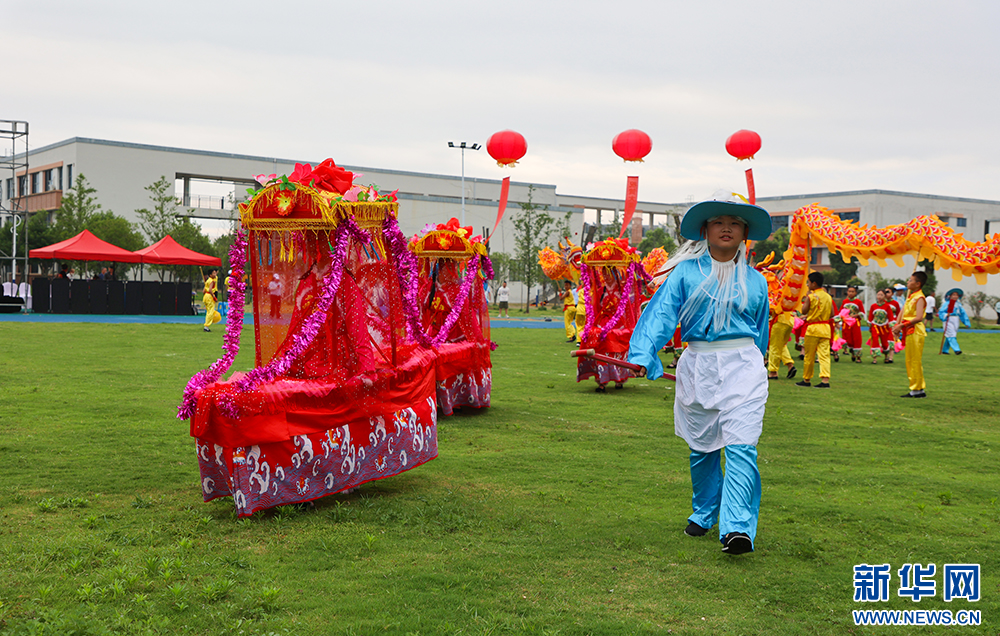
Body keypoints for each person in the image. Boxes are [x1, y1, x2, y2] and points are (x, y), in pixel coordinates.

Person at [628, 195, 770, 556]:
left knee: (741, 445)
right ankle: (705, 512)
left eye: (735, 223)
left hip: (744, 367)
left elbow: (760, 329)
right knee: (702, 447)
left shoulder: (756, 281)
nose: (726, 228)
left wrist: (760, 362)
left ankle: (737, 528)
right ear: (705, 230)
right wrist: (645, 352)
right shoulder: (686, 274)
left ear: (744, 234)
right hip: (699, 366)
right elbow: (661, 315)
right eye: (718, 222)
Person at [892, 271, 927, 398]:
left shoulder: (920, 298)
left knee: (914, 360)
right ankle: (916, 387)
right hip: (908, 329)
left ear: (918, 283)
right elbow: (903, 311)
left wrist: (902, 325)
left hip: (915, 330)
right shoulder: (911, 296)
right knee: (909, 360)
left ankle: (917, 389)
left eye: (911, 280)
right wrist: (897, 324)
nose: (908, 282)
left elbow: (918, 318)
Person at [796, 272, 833, 388]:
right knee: (824, 355)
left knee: (809, 355)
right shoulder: (828, 296)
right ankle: (825, 380)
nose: (807, 285)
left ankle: (807, 379)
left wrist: (807, 298)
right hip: (825, 328)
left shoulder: (811, 297)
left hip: (812, 328)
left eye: (808, 282)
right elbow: (832, 313)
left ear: (814, 283)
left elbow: (804, 311)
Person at [766, 309, 797, 380]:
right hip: (789, 319)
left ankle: (773, 372)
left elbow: (772, 308)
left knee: (774, 346)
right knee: (781, 345)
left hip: (780, 319)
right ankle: (790, 365)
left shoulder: (775, 297)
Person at [938, 288, 970, 355]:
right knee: (951, 334)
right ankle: (957, 349)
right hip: (948, 319)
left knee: (951, 335)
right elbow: (941, 312)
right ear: (950, 296)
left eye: (956, 295)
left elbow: (963, 313)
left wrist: (966, 322)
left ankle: (945, 350)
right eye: (953, 295)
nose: (955, 296)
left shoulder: (959, 305)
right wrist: (946, 315)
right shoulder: (946, 304)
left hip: (956, 320)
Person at [867, 289, 895, 363]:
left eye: (881, 295)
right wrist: (870, 326)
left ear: (884, 296)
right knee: (875, 341)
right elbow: (870, 317)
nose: (879, 296)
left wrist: (891, 326)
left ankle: (886, 356)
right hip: (875, 326)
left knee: (885, 343)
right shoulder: (873, 306)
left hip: (884, 327)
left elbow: (890, 317)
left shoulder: (887, 306)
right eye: (878, 295)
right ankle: (874, 359)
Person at [839, 285, 865, 363]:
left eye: (852, 291)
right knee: (848, 339)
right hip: (846, 323)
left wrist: (854, 316)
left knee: (856, 339)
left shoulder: (858, 302)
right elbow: (841, 312)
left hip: (855, 323)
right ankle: (852, 353)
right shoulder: (845, 301)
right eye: (849, 291)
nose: (850, 293)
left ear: (856, 293)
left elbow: (862, 313)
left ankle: (858, 357)